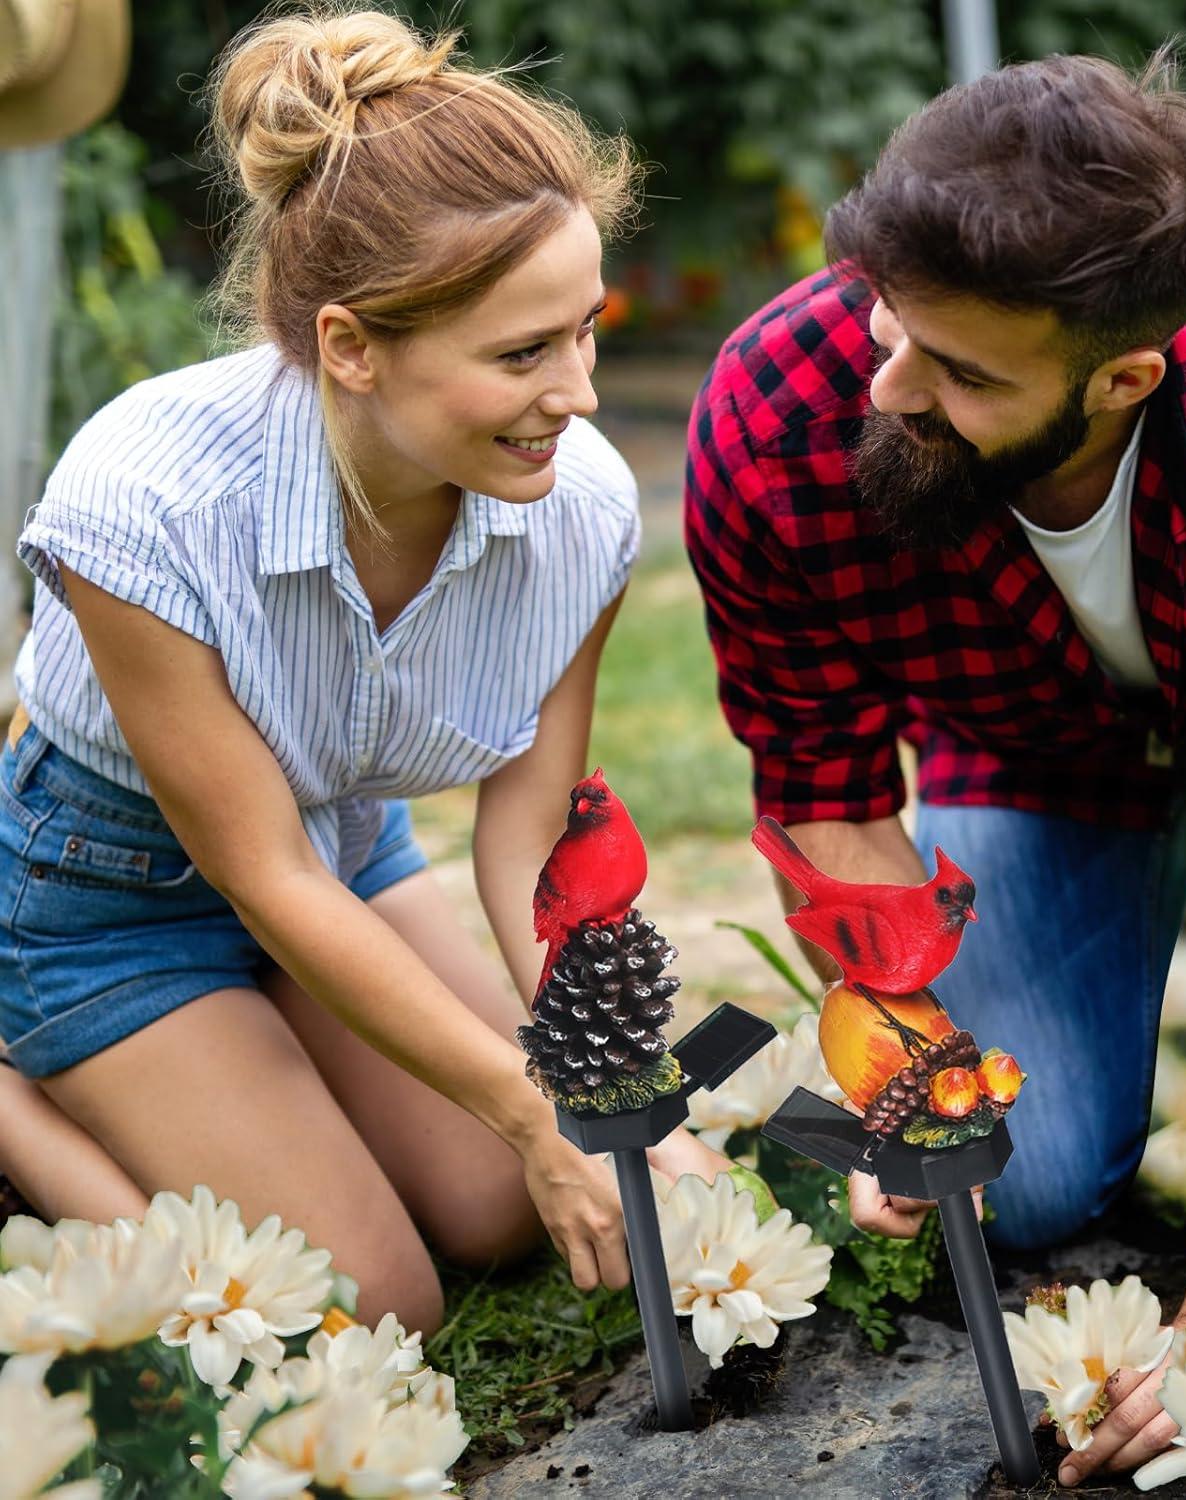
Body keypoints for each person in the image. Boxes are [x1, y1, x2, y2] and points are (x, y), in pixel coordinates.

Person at [685, 49, 1186, 1482]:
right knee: (1024, 1176)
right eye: (889, 323)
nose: (887, 385)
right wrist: (911, 1060)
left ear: (1124, 376)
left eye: (960, 372)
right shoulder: (775, 412)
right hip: (1040, 761)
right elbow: (824, 792)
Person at [0, 7, 728, 1339]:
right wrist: (523, 1103)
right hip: (103, 892)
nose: (577, 393)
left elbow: (526, 831)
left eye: (586, 331)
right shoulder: (145, 500)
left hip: (334, 851)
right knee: (357, 1307)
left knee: (501, 1210)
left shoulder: (583, 514)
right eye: (522, 354)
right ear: (350, 347)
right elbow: (257, 873)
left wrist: (603, 1086)